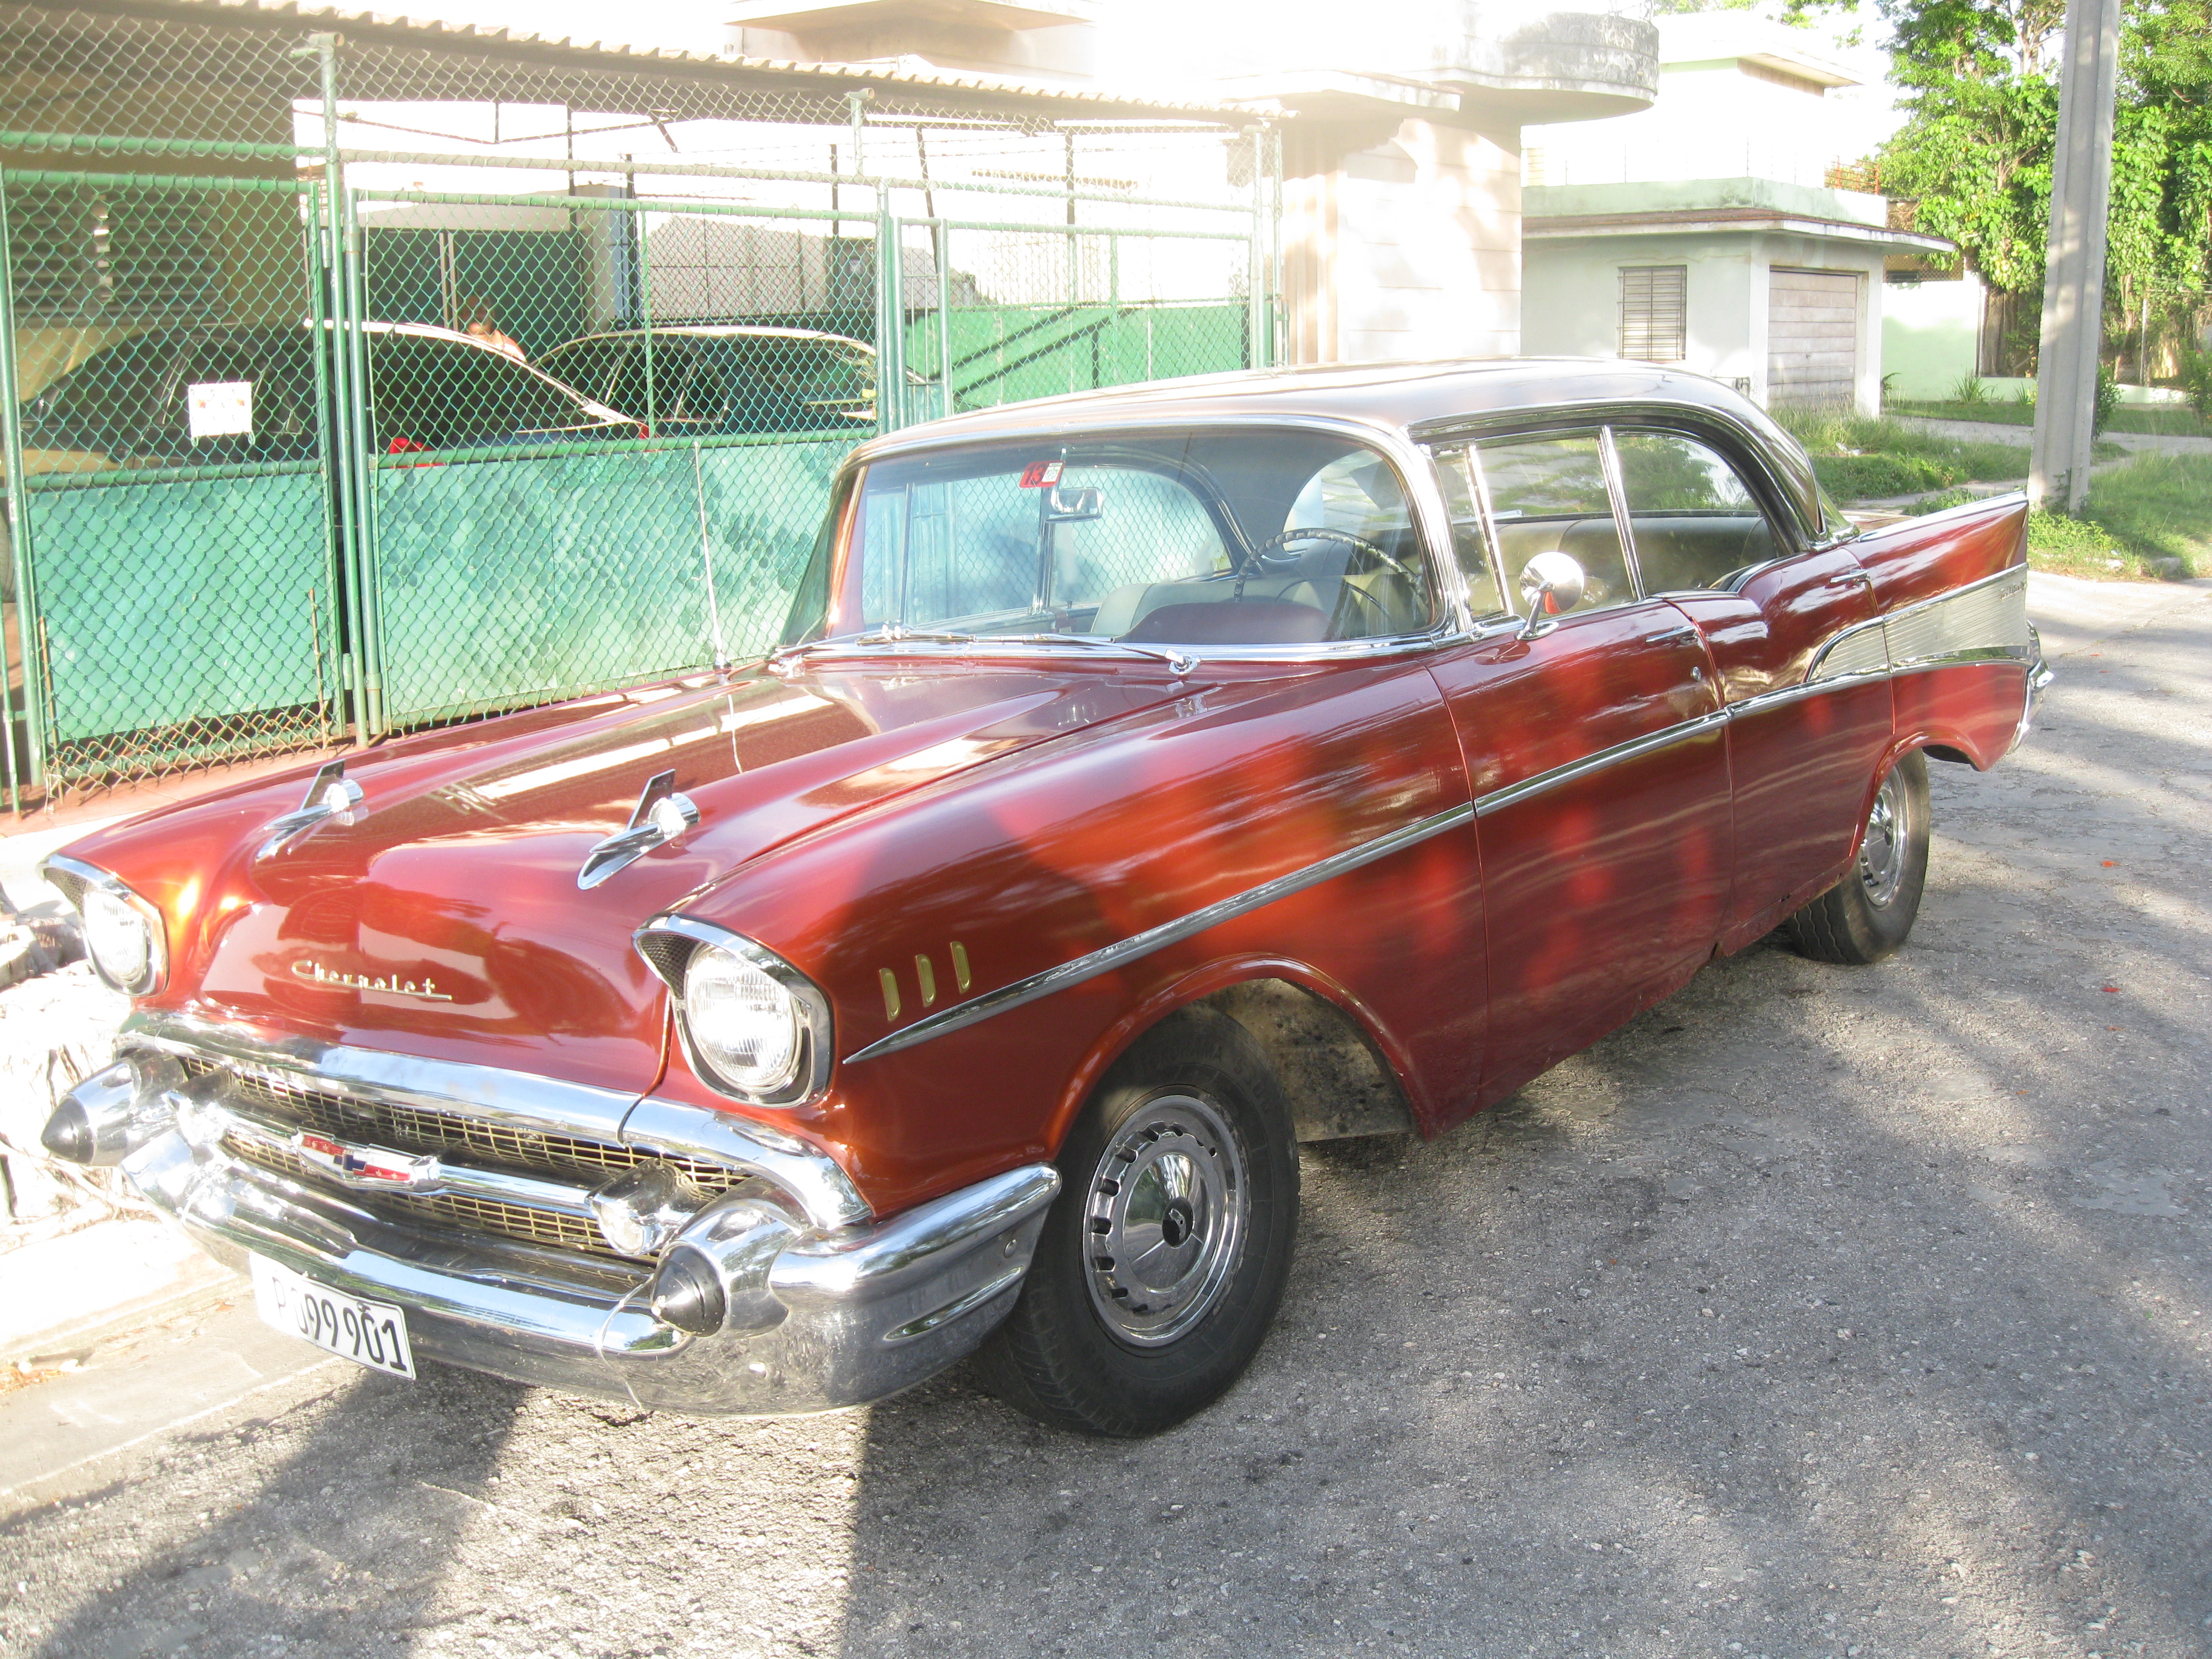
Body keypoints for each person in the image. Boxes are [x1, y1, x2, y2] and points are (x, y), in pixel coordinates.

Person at [458, 298, 525, 363]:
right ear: (461, 316)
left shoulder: (509, 348)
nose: (475, 315)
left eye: (480, 310)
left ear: (492, 314)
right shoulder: (456, 345)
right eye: (469, 311)